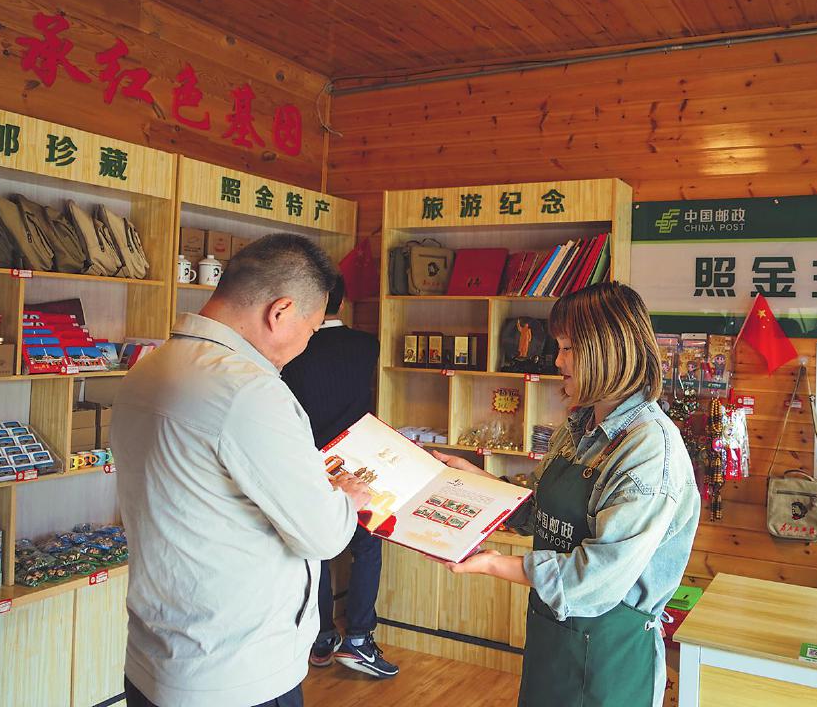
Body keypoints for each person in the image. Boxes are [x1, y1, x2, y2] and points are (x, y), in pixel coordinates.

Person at [112, 234, 371, 707]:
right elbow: (323, 535)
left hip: (159, 655)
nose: (305, 346)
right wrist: (346, 500)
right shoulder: (249, 391)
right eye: (311, 331)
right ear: (281, 312)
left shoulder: (151, 366)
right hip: (236, 670)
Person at [432, 282, 701, 707]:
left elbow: (594, 576)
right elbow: (542, 512)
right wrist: (478, 483)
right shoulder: (580, 426)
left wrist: (495, 564)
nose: (557, 361)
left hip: (609, 661)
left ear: (607, 350)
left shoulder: (649, 451)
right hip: (553, 639)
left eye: (568, 348)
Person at [280, 276, 399, 678]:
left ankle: (321, 636)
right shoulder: (367, 345)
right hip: (357, 462)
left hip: (306, 461)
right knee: (366, 548)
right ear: (343, 304)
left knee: (314, 551)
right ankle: (360, 638)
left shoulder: (293, 347)